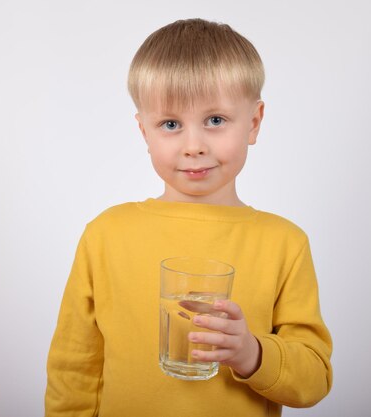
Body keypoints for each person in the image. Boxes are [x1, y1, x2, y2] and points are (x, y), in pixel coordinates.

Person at [44, 18, 332, 417]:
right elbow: (74, 367)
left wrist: (252, 353)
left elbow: (314, 379)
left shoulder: (285, 243)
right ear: (145, 132)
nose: (193, 146)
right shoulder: (106, 234)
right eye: (171, 124)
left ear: (253, 122)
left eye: (215, 120)